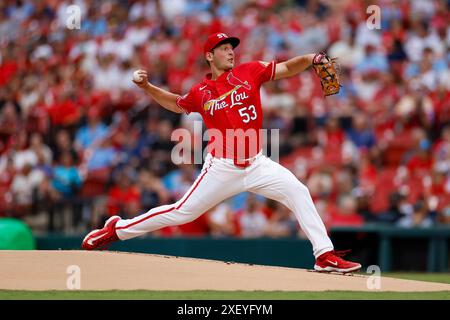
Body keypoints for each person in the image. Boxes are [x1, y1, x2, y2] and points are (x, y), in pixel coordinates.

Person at [82, 32, 361, 273]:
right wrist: (147, 87)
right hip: (222, 167)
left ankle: (324, 255)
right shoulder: (201, 91)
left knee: (298, 191)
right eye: (224, 48)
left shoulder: (249, 71)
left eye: (232, 48)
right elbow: (176, 104)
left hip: (258, 164)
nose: (231, 52)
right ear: (209, 56)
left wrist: (312, 58)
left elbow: (287, 67)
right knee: (182, 212)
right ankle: (116, 229)